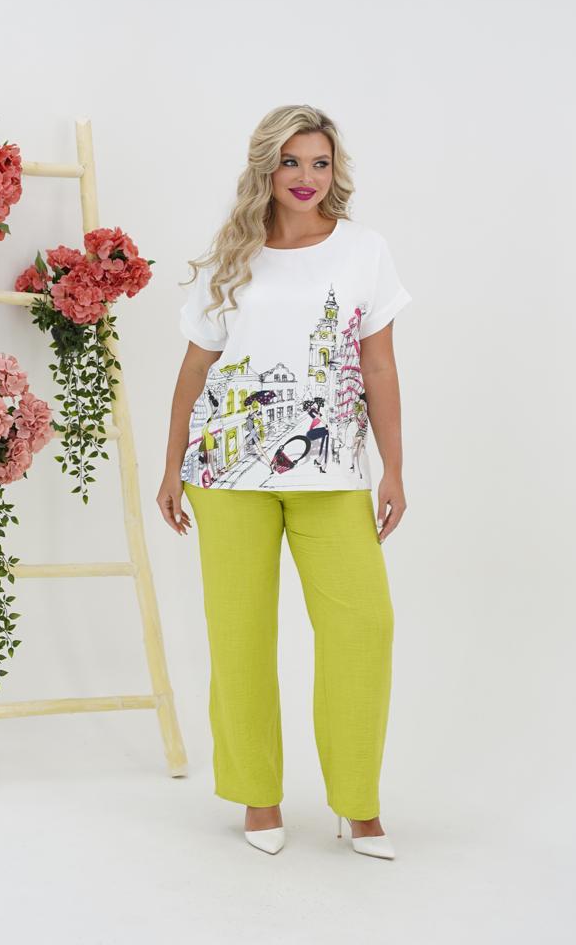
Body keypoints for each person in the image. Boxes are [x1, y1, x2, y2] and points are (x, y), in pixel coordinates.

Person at [157, 104, 412, 859]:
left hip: (333, 474)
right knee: (239, 635)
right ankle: (257, 796)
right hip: (224, 471)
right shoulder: (231, 254)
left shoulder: (364, 250)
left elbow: (378, 366)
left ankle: (358, 803)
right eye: (291, 162)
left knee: (363, 627)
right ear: (265, 168)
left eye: (319, 162)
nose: (306, 177)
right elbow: (195, 368)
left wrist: (393, 467)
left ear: (335, 171)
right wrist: (170, 466)